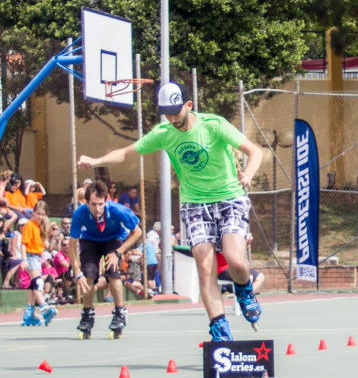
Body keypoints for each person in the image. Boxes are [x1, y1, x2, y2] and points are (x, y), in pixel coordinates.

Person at [77, 82, 264, 341]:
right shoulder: (164, 132)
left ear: (188, 105)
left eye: (176, 111)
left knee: (235, 260)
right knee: (204, 266)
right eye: (167, 112)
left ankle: (244, 290)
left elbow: (255, 151)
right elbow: (127, 153)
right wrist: (96, 161)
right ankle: (219, 328)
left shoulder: (214, 124)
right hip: (194, 203)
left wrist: (248, 176)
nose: (172, 117)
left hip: (229, 197)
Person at [68, 181, 144, 338]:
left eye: (101, 204)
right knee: (89, 274)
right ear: (86, 202)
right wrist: (77, 272)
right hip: (90, 239)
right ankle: (87, 315)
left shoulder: (118, 210)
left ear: (106, 201)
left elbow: (138, 232)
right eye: (93, 204)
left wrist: (118, 252)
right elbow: (72, 245)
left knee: (112, 271)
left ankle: (120, 312)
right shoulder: (79, 214)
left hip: (113, 239)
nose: (97, 209)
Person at [19, 201, 57, 325]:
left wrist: (50, 238)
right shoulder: (29, 225)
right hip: (30, 256)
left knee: (33, 285)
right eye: (38, 214)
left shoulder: (40, 226)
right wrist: (24, 259)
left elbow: (46, 246)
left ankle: (29, 312)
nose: (40, 216)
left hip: (37, 257)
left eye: (42, 214)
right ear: (33, 212)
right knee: (38, 282)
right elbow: (23, 243)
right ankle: (43, 307)